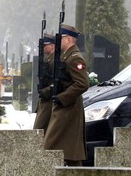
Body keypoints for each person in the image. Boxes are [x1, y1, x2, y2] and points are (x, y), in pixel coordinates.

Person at [43, 24, 89, 166]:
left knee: (52, 145)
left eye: (61, 38)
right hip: (63, 107)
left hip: (68, 107)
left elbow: (82, 83)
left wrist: (62, 98)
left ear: (68, 39)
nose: (59, 41)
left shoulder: (75, 58)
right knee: (67, 149)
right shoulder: (66, 56)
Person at [33, 33, 56, 132]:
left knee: (40, 129)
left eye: (45, 46)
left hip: (49, 100)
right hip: (45, 99)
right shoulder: (48, 59)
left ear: (52, 46)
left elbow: (56, 81)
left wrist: (46, 90)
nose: (43, 48)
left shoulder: (54, 61)